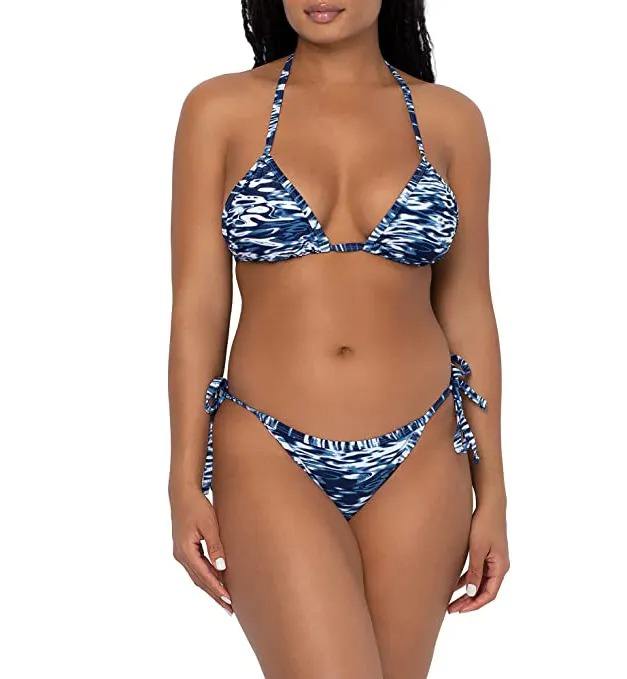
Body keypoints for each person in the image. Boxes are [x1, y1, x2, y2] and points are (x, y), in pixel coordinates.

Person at [168, 1, 509, 676]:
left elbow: (469, 305)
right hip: (267, 450)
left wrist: (493, 487)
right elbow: (198, 306)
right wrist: (183, 478)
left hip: (423, 454)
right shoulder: (219, 110)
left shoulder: (451, 121)